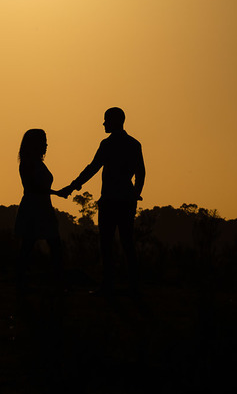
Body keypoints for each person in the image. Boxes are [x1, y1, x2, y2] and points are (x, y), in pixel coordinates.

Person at [63, 107, 145, 294]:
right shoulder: (134, 144)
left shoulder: (107, 144)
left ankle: (108, 284)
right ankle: (133, 285)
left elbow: (93, 168)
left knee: (106, 244)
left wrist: (73, 185)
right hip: (127, 200)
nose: (103, 124)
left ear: (114, 121)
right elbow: (141, 172)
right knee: (127, 242)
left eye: (106, 120)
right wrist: (135, 193)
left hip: (110, 200)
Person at [14, 128, 72, 293]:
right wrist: (56, 193)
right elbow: (33, 187)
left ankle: (55, 282)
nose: (46, 145)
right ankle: (24, 282)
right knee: (34, 246)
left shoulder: (36, 163)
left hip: (43, 208)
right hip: (34, 209)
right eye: (43, 142)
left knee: (47, 246)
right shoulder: (28, 163)